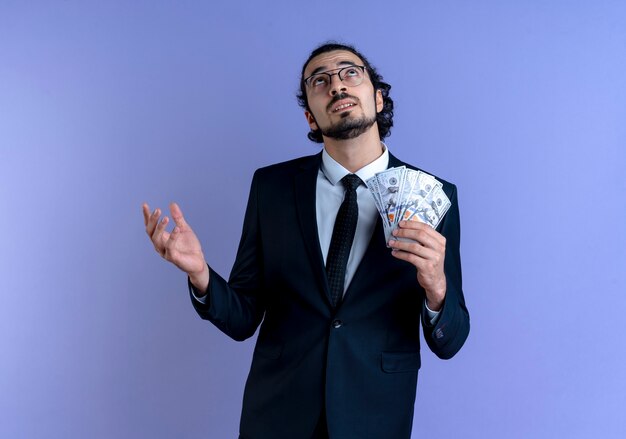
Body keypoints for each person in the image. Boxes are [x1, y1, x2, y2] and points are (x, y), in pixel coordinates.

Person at [143, 42, 470, 439]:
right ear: (310, 118)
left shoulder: (435, 196)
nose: (337, 85)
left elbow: (450, 340)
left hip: (374, 414)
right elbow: (244, 316)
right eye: (320, 80)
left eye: (351, 73)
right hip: (279, 413)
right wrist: (200, 275)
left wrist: (437, 286)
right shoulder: (272, 188)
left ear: (378, 99)